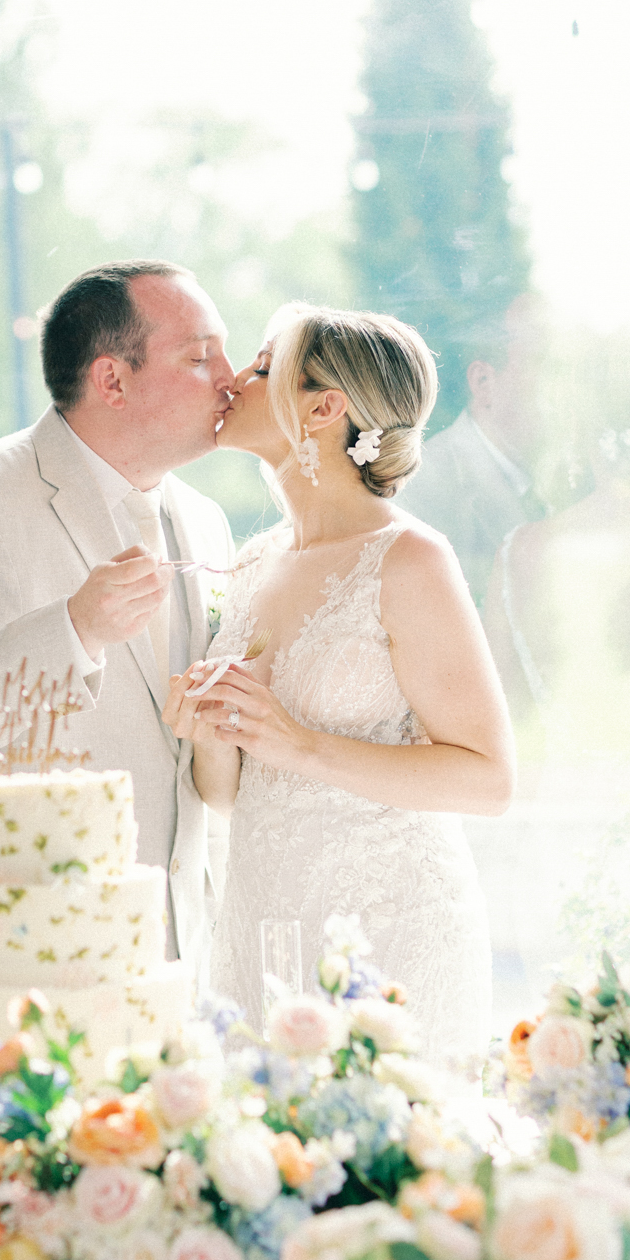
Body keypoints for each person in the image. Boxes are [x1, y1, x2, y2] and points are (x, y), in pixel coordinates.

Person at [0, 259, 235, 1002]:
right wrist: (74, 628)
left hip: (160, 978)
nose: (232, 378)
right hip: (0, 994)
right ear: (111, 380)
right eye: (199, 357)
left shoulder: (205, 520)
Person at [163, 305, 514, 1067]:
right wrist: (208, 731)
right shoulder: (253, 562)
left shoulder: (409, 560)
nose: (233, 380)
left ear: (323, 408)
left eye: (260, 369)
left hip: (391, 931)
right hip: (262, 923)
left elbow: (489, 780)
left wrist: (302, 743)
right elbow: (230, 792)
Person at [396, 293, 547, 610]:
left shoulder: (572, 473)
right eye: (544, 366)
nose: (565, 387)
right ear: (483, 382)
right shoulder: (422, 487)